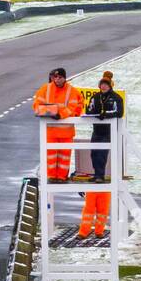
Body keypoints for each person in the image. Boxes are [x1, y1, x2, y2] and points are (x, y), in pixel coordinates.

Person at [79, 73, 122, 238]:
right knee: (93, 153)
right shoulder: (96, 97)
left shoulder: (115, 97)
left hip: (107, 132)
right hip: (96, 131)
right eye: (101, 84)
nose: (103, 86)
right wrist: (96, 112)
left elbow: (119, 112)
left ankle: (99, 175)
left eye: (106, 84)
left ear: (110, 85)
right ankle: (96, 175)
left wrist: (107, 115)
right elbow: (89, 109)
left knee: (102, 154)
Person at [33, 68, 85, 180]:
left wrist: (60, 115)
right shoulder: (45, 89)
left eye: (60, 77)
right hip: (51, 131)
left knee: (64, 157)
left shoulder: (72, 91)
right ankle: (51, 176)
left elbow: (75, 107)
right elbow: (37, 106)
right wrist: (48, 112)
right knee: (50, 156)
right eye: (55, 77)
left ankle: (61, 177)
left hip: (66, 132)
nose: (57, 79)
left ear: (64, 78)